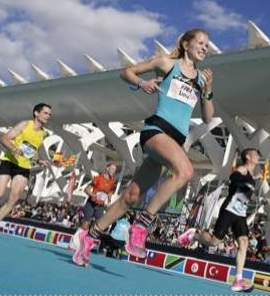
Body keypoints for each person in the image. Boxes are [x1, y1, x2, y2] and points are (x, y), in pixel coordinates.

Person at [74, 28, 214, 266]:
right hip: (156, 131)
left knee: (131, 196)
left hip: (175, 141)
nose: (204, 48)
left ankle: (90, 237)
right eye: (200, 43)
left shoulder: (202, 79)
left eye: (207, 45)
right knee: (186, 172)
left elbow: (209, 117)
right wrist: (142, 83)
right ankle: (142, 225)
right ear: (187, 44)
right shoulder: (167, 63)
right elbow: (126, 72)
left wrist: (208, 92)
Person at [177, 148, 262, 292]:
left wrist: (256, 178)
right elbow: (233, 178)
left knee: (244, 243)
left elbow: (246, 186)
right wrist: (247, 178)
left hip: (241, 214)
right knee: (215, 242)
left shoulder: (251, 175)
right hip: (229, 210)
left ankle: (238, 279)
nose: (258, 156)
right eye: (255, 154)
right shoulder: (242, 169)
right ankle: (193, 235)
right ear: (248, 157)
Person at [0, 103, 52, 238]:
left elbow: (32, 151)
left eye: (49, 114)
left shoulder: (43, 133)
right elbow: (4, 138)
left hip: (24, 167)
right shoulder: (25, 124)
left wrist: (39, 160)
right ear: (36, 113)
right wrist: (14, 149)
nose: (48, 116)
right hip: (9, 161)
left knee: (14, 198)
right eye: (45, 113)